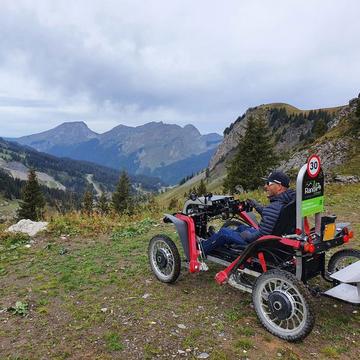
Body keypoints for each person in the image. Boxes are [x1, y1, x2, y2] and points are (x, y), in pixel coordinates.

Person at [201, 171, 296, 254]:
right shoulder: (289, 201)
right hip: (278, 241)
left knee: (224, 232)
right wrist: (256, 205)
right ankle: (215, 240)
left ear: (279, 186)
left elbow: (263, 235)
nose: (265, 186)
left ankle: (201, 249)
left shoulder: (275, 207)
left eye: (268, 183)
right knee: (242, 227)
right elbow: (273, 217)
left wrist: (247, 236)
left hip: (261, 246)